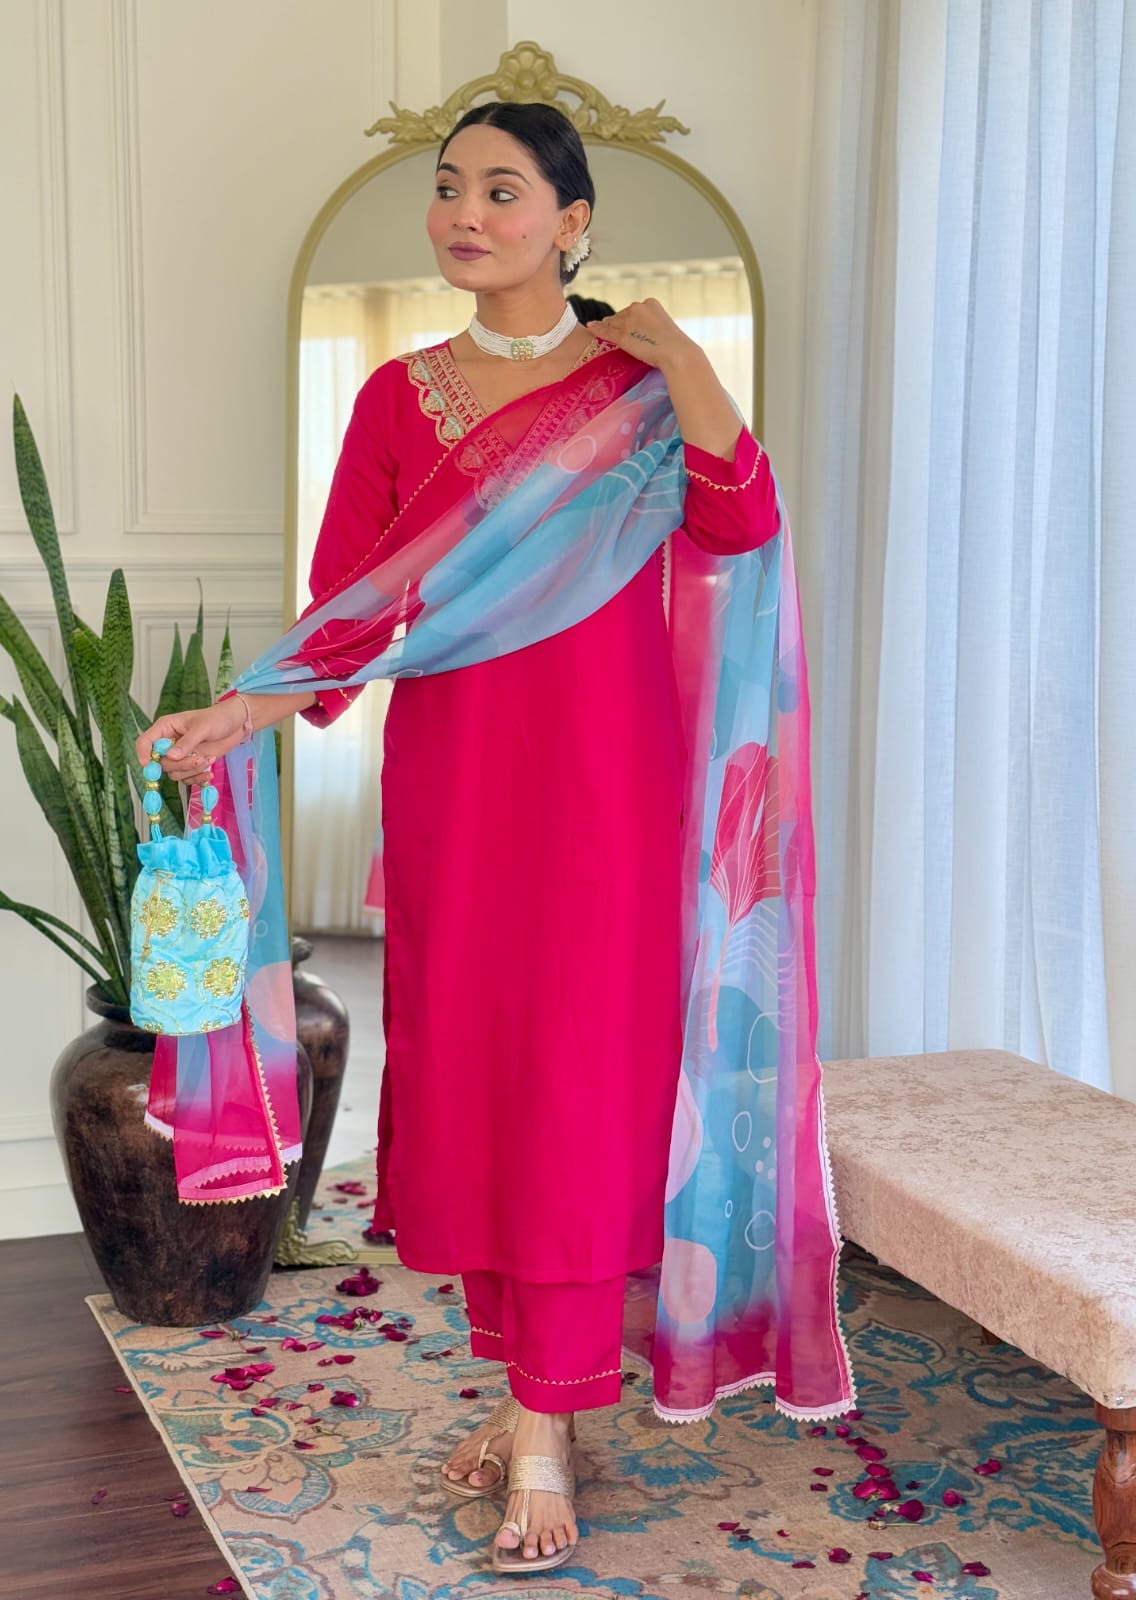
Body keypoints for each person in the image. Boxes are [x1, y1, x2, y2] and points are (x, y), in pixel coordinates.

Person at [136, 99, 851, 1577]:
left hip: (606, 789)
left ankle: (542, 1424)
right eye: (447, 189)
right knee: (480, 1071)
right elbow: (355, 604)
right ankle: (549, 1396)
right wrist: (237, 717)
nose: (466, 213)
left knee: (584, 1080)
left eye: (503, 190)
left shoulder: (641, 386)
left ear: (574, 221)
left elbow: (740, 522)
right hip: (457, 787)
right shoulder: (400, 397)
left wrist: (691, 363)